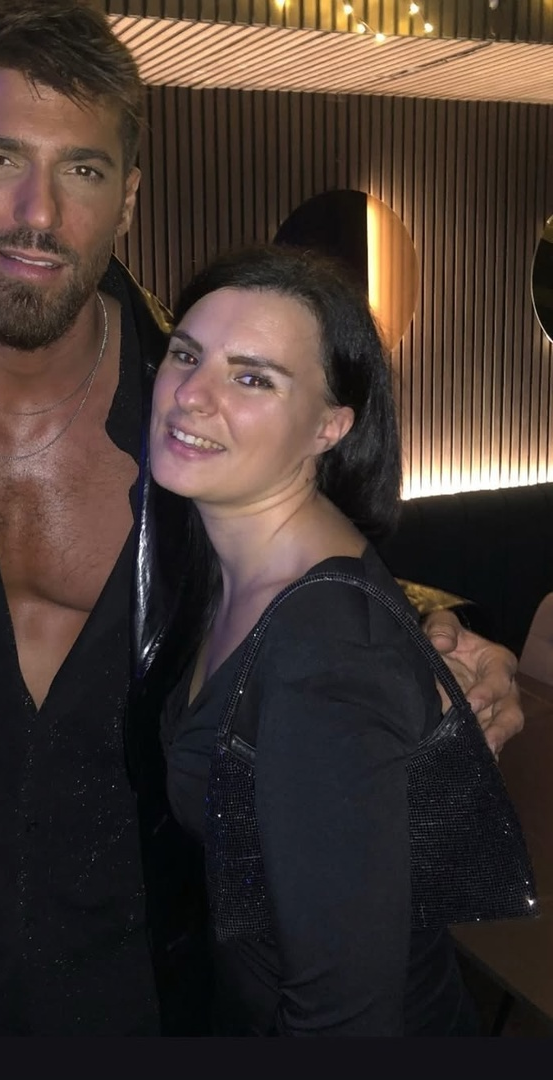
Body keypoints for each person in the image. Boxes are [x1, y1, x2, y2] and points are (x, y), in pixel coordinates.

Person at [0, 0, 522, 1036]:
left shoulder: (196, 413)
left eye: (81, 170)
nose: (38, 214)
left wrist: (436, 630)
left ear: (127, 199)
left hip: (152, 999)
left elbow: (299, 558)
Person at [151, 245, 490, 1035]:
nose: (192, 395)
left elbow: (348, 1016)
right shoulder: (230, 564)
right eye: (186, 355)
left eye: (253, 378)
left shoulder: (324, 658)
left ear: (330, 426)